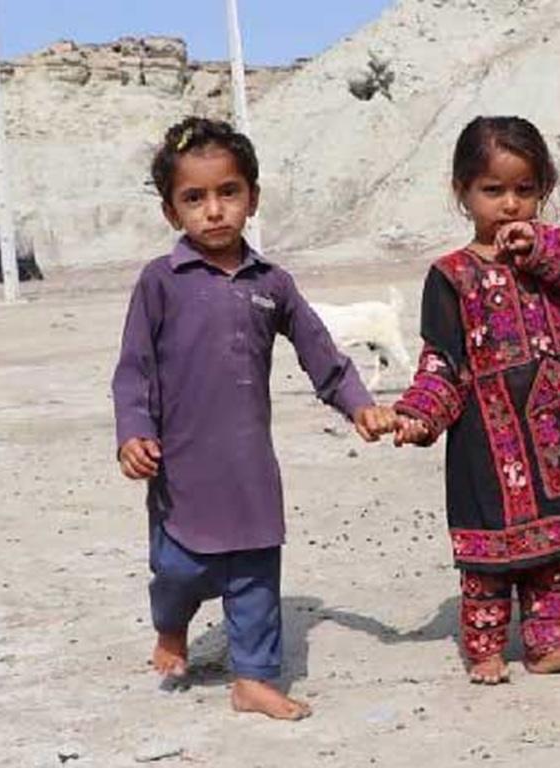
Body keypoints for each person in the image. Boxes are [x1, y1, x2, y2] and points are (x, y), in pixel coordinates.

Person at [112, 116, 395, 719]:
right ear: (171, 212)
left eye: (228, 193)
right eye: (194, 198)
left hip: (249, 470)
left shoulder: (274, 284)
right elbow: (133, 369)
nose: (213, 211)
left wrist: (359, 407)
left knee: (257, 574)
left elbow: (322, 352)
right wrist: (133, 433)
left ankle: (255, 678)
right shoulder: (160, 283)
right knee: (176, 572)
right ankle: (171, 629)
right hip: (179, 470)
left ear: (252, 198)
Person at [393, 116, 560, 684]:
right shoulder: (450, 276)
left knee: (554, 553)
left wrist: (543, 244)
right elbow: (441, 361)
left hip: (556, 432)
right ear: (462, 192)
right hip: (485, 442)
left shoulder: (548, 261)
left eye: (525, 190)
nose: (510, 204)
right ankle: (485, 649)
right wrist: (419, 416)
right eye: (493, 191)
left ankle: (549, 645)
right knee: (488, 555)